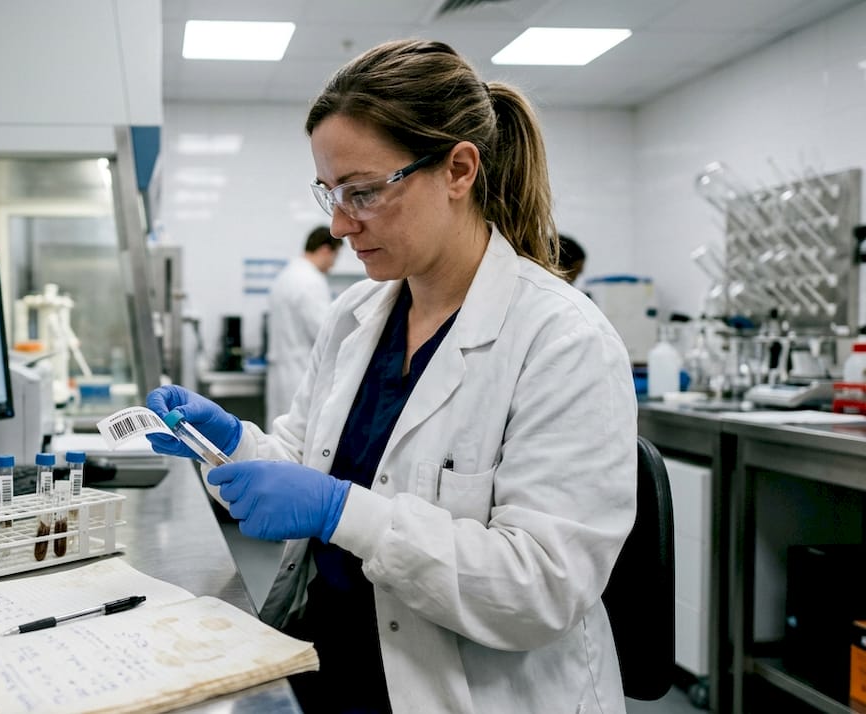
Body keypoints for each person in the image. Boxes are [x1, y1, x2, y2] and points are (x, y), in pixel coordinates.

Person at [147, 39, 636, 714]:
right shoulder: (356, 315)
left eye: (365, 192)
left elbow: (540, 588)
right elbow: (304, 459)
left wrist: (343, 511)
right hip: (329, 661)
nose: (341, 223)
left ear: (458, 169)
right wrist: (228, 443)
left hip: (466, 693)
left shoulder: (562, 339)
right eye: (331, 192)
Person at [266, 225, 342, 426]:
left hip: (281, 371)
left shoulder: (286, 275)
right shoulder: (311, 281)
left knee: (279, 435)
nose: (333, 265)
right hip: (300, 372)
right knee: (299, 438)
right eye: (335, 257)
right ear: (326, 250)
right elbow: (326, 333)